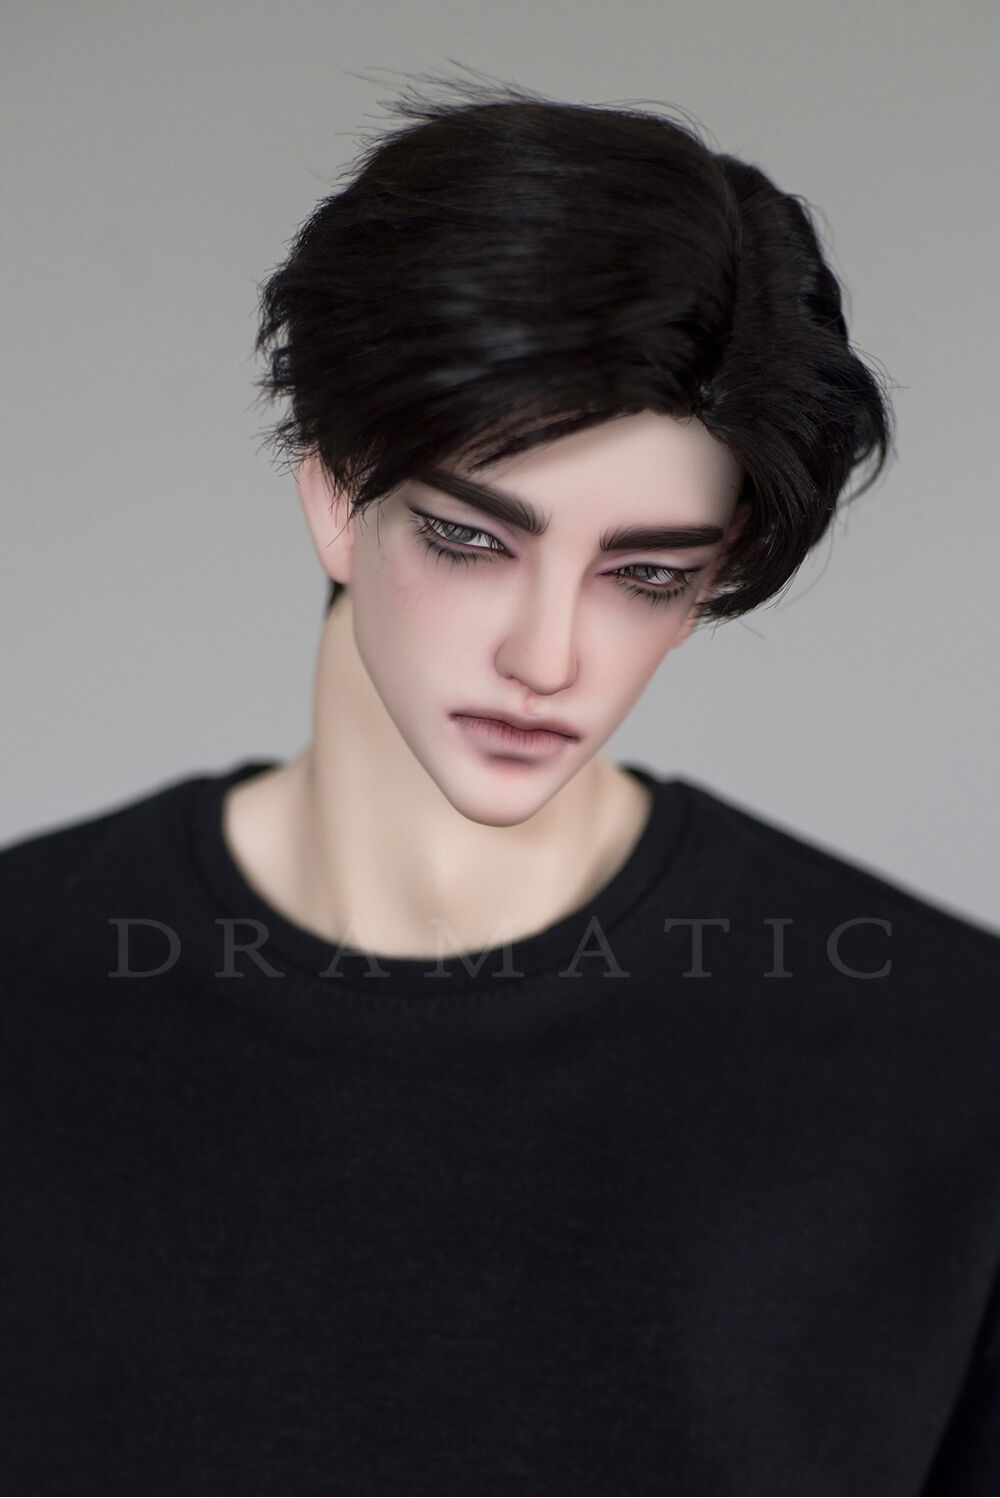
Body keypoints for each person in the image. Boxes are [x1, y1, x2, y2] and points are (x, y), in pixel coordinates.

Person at [3, 78, 999, 1496]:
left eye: (644, 574)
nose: (547, 656)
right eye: (472, 540)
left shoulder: (949, 1061)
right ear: (337, 489)